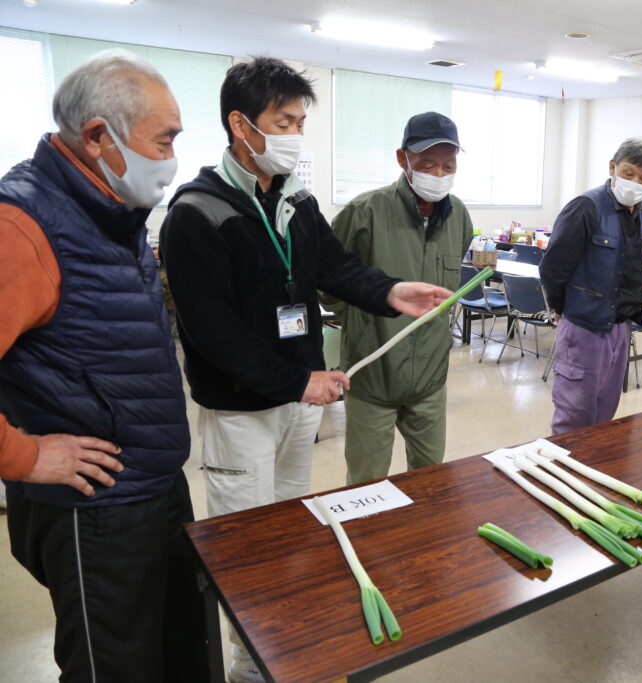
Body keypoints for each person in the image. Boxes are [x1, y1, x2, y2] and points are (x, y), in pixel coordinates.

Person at [159, 57, 450, 682]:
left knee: (290, 529)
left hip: (296, 406)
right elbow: (211, 333)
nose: (294, 133)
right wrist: (298, 380)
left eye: (300, 121)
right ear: (242, 124)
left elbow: (335, 267)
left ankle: (283, 647)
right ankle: (246, 668)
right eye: (282, 120)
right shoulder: (197, 213)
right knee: (245, 544)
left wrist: (392, 291)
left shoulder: (294, 197)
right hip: (241, 412)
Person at [0, 50, 209, 681]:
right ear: (99, 137)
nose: (172, 156)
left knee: (183, 652)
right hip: (93, 514)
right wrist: (27, 457)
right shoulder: (23, 224)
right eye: (165, 139)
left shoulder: (114, 217)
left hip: (153, 489)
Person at [322, 112, 473, 485]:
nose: (438, 174)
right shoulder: (365, 212)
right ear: (402, 158)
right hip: (373, 380)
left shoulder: (460, 218)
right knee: (366, 487)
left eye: (447, 165)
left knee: (430, 483)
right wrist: (361, 324)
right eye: (426, 164)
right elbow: (328, 281)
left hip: (430, 383)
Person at [540, 137, 642, 435]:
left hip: (620, 325)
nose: (635, 182)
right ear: (613, 167)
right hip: (584, 325)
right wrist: (561, 309)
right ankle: (564, 475)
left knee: (605, 412)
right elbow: (554, 267)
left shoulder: (640, 212)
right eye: (629, 173)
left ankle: (590, 475)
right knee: (575, 414)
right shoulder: (586, 207)